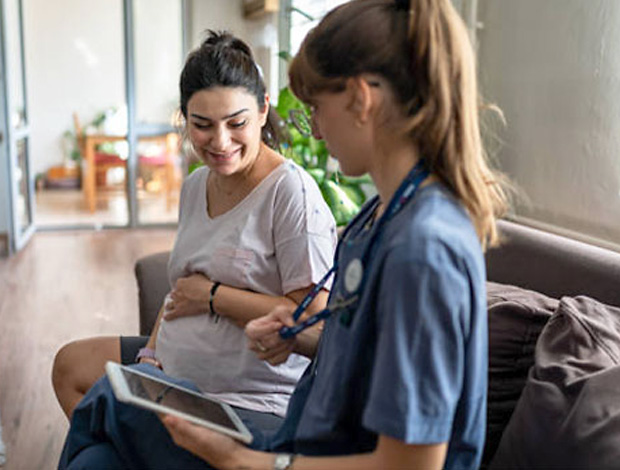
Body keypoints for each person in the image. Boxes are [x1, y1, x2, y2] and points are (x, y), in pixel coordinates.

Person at [59, 0, 510, 468]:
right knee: (94, 460)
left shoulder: (424, 248)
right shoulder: (379, 217)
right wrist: (294, 337)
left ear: (360, 99)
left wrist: (250, 463)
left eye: (316, 106)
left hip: (290, 452)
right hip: (303, 437)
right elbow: (348, 348)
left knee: (109, 405)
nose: (312, 127)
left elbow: (412, 464)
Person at [52, 30, 336, 442]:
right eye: (202, 125)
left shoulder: (290, 193)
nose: (220, 142)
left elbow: (313, 320)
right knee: (70, 367)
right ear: (184, 119)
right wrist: (150, 356)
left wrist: (213, 296)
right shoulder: (196, 184)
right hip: (172, 368)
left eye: (236, 123)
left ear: (262, 110)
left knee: (101, 432)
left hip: (245, 398)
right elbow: (179, 289)